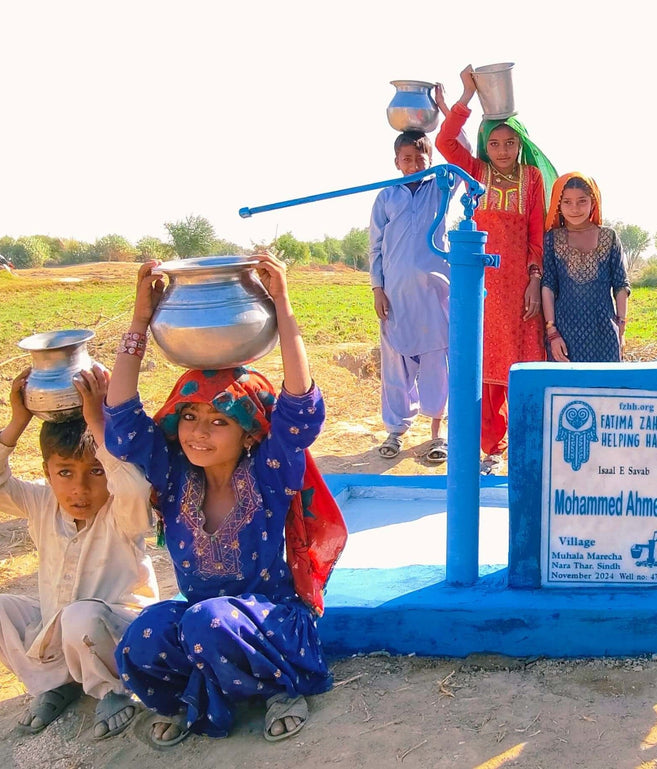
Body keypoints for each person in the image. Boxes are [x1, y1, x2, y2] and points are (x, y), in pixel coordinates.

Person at [104, 254, 344, 746]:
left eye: (219, 422)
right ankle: (196, 693)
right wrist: (139, 320)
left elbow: (300, 410)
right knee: (141, 639)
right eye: (189, 417)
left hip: (270, 624)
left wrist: (283, 305)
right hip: (203, 625)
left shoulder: (268, 472)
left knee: (208, 620)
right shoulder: (172, 477)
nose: (198, 433)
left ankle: (282, 687)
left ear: (250, 433)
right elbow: (123, 422)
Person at [0, 364, 157, 739]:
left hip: (117, 633)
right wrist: (17, 421)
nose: (79, 489)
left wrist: (96, 421)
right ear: (47, 472)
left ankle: (111, 691)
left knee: (79, 617)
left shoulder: (122, 509)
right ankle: (56, 684)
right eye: (65, 473)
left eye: (96, 472)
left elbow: (134, 487)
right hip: (58, 626)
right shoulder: (42, 502)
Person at [435, 66, 558, 473]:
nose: (503, 150)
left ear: (520, 144)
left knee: (522, 366)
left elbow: (536, 234)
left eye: (510, 142)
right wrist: (466, 95)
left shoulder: (533, 178)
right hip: (483, 288)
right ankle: (490, 449)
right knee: (485, 369)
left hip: (521, 287)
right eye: (496, 142)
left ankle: (527, 449)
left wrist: (535, 281)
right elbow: (445, 141)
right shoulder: (476, 174)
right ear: (487, 145)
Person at [370, 130, 450, 464]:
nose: (415, 164)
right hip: (396, 297)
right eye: (407, 159)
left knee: (436, 365)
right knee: (396, 367)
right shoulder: (387, 196)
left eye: (421, 158)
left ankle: (437, 433)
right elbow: (375, 246)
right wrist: (377, 288)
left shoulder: (442, 187)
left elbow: (460, 158)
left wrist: (451, 109)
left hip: (434, 296)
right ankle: (395, 430)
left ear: (430, 159)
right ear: (396, 162)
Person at [540, 172, 629, 362]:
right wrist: (552, 332)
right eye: (567, 202)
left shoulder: (609, 237)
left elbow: (621, 285)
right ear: (558, 204)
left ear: (593, 202)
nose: (575, 208)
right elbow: (548, 286)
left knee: (606, 390)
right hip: (564, 335)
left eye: (582, 201)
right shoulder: (552, 239)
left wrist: (621, 327)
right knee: (566, 389)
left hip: (604, 331)